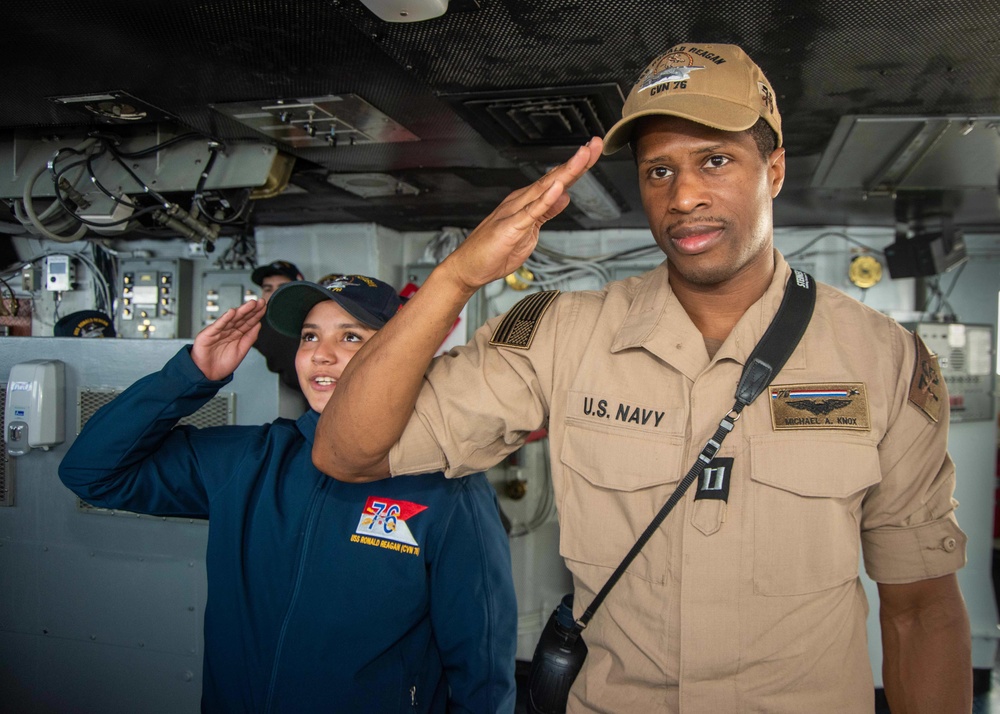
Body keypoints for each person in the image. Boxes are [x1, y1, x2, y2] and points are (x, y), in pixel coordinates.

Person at [311, 43, 972, 713]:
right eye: (658, 171)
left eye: (715, 161)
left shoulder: (884, 359)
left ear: (772, 170)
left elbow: (921, 610)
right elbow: (348, 452)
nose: (683, 196)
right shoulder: (561, 334)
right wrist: (456, 277)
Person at [58, 274, 518, 713]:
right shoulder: (248, 461)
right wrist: (190, 375)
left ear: (400, 355)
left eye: (352, 337)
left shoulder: (446, 487)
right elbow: (91, 472)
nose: (321, 355)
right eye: (310, 337)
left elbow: (481, 667)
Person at [250, 259, 304, 394]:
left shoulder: (314, 317)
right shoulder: (254, 325)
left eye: (282, 287)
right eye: (268, 289)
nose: (274, 293)